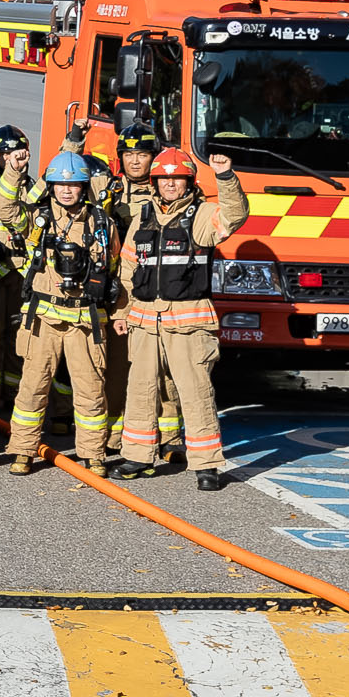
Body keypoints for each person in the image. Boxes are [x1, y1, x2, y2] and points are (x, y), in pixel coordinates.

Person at [110, 149, 247, 491]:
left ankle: (207, 464)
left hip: (189, 322)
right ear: (155, 182)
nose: (170, 184)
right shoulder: (142, 218)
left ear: (188, 182)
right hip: (143, 321)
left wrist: (226, 178)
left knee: (195, 392)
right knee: (140, 391)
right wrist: (122, 312)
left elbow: (234, 215)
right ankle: (138, 457)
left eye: (177, 178)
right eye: (164, 178)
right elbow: (128, 268)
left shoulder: (201, 216)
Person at [0, 151, 119, 473]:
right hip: (44, 319)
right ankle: (23, 451)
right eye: (60, 184)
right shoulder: (37, 219)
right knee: (32, 387)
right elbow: (4, 209)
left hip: (85, 320)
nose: (66, 190)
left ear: (84, 186)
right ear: (51, 185)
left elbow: (116, 268)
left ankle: (94, 455)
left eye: (74, 184)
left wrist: (119, 311)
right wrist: (13, 172)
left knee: (91, 390)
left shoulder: (102, 224)